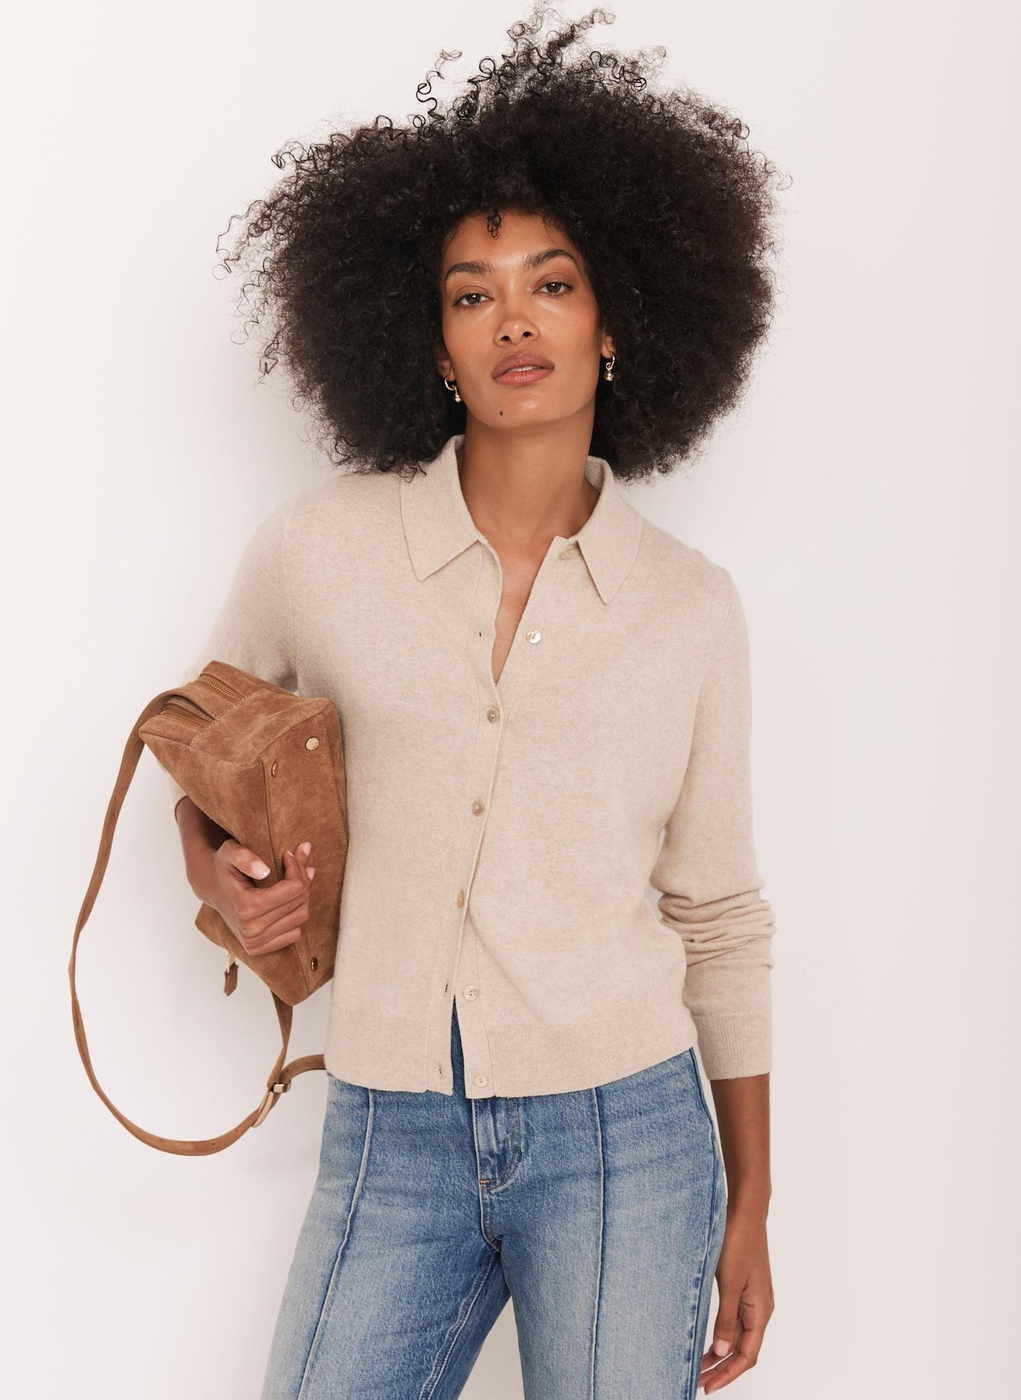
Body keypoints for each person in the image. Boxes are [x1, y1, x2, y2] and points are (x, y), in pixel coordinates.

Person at [168, 5, 786, 1396]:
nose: (512, 318)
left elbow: (720, 917)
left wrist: (750, 1201)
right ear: (433, 347)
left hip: (629, 1141)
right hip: (389, 1132)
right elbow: (198, 766)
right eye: (469, 294)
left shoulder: (690, 607)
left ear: (614, 322)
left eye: (551, 282)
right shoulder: (315, 548)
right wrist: (222, 879)